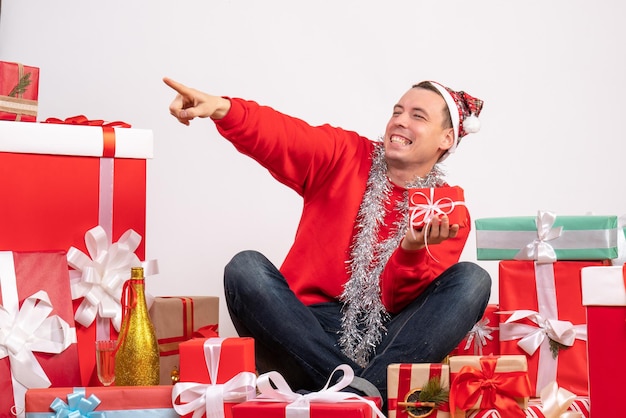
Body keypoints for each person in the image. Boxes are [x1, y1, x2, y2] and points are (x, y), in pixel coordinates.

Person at [164, 77, 491, 408]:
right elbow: (286, 136)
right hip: (303, 333)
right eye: (397, 111)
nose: (400, 121)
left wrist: (410, 250)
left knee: (473, 279)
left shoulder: (446, 210)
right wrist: (224, 109)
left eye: (418, 116)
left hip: (389, 343)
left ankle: (347, 397)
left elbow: (400, 302)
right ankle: (364, 397)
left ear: (446, 138)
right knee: (244, 268)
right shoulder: (346, 154)